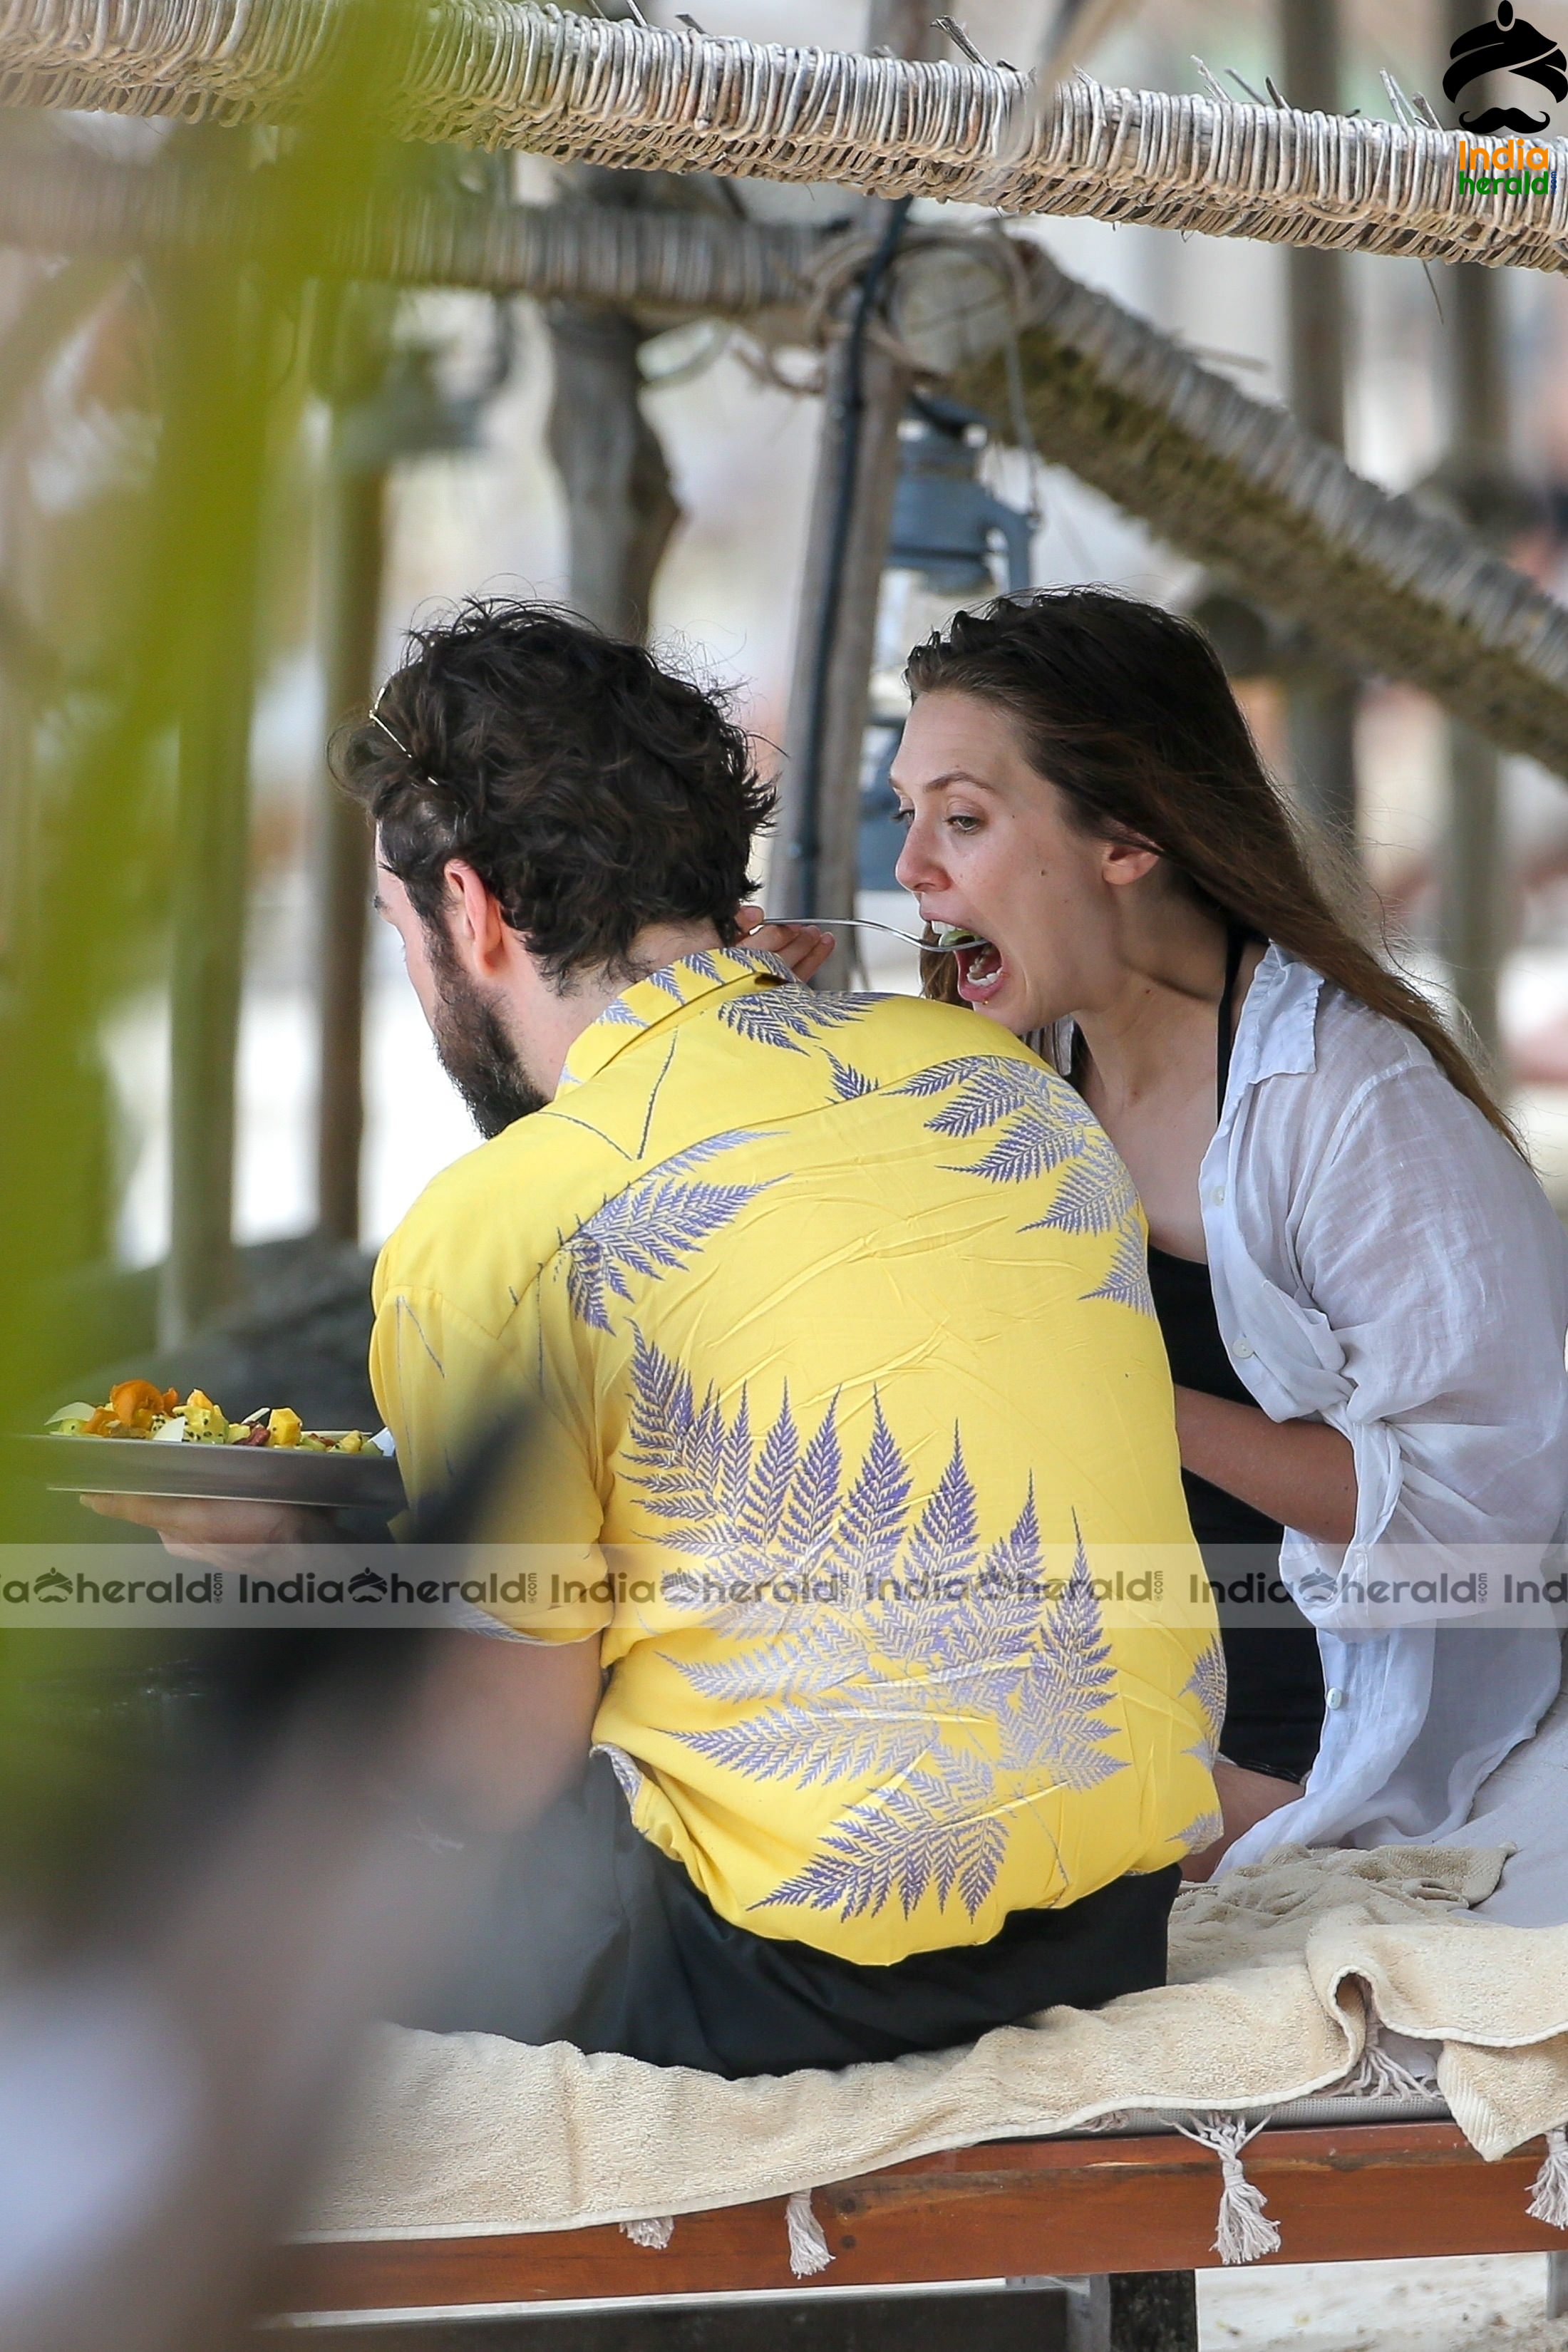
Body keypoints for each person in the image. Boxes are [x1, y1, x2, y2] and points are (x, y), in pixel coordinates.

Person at [93, 600, 1221, 2079]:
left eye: (399, 934)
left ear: (470, 911)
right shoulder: (998, 1086)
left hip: (783, 1976)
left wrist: (268, 1602)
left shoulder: (501, 1222)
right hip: (1110, 1914)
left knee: (152, 1779)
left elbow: (495, 1763)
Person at [872, 585, 1568, 1877]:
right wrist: (797, 1056)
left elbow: (1485, 1523)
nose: (912, 870)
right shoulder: (1015, 1057)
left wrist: (1123, 1390)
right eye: (908, 815)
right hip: (1103, 1694)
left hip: (1319, 1755)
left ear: (1126, 837)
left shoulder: (1352, 1104)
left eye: (961, 819)